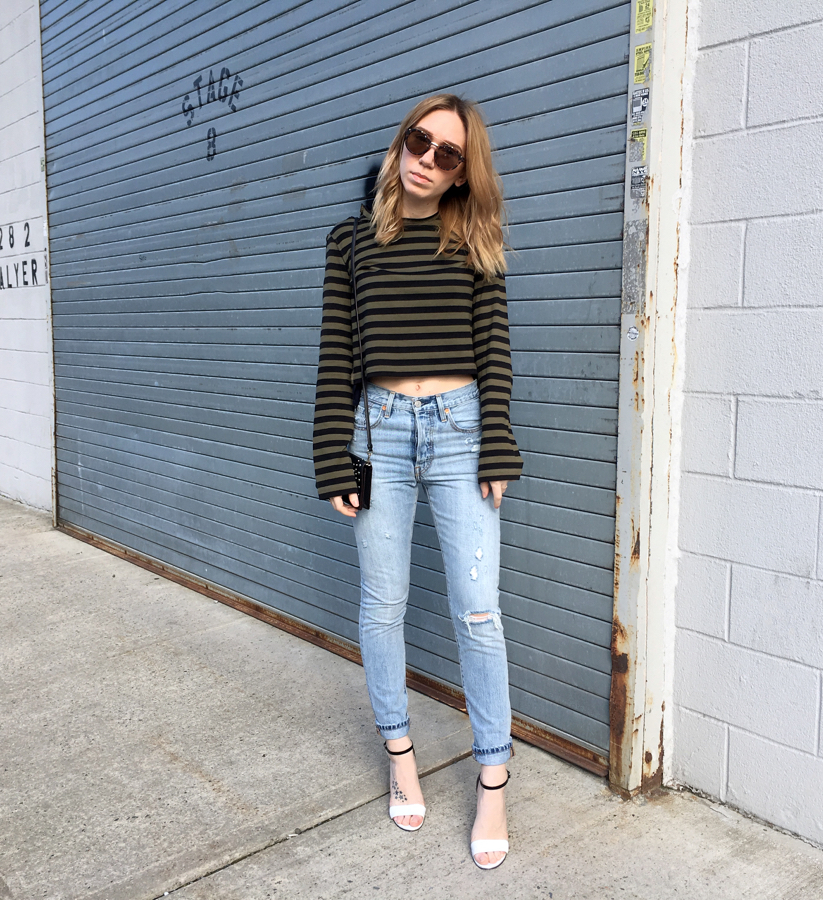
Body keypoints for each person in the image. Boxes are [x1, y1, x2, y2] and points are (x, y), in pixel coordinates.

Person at [312, 94, 522, 870]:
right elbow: (337, 355)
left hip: (462, 428)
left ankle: (492, 777)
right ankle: (400, 752)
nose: (427, 160)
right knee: (384, 604)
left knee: (478, 612)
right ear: (401, 138)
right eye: (419, 141)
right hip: (379, 432)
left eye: (447, 155)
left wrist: (496, 440)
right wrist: (331, 451)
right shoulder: (350, 241)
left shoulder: (473, 238)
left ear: (466, 173)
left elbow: (494, 349)